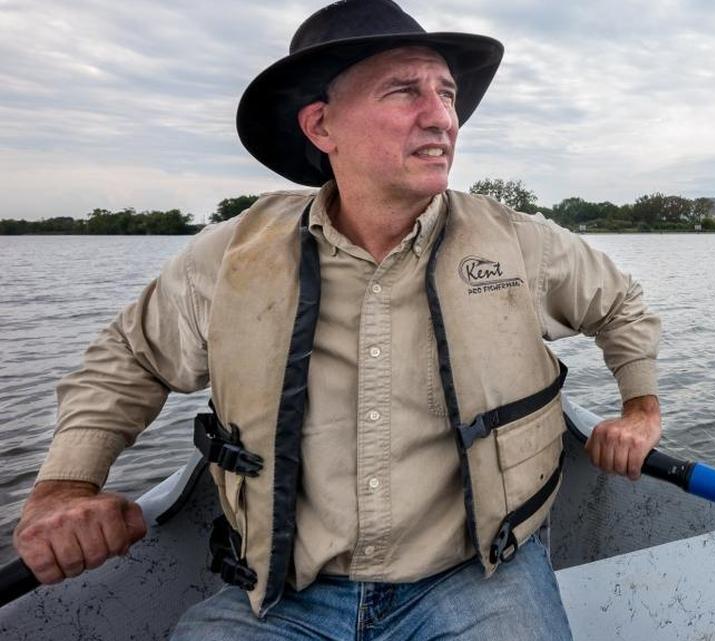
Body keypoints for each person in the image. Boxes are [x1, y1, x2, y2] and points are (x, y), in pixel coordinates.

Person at [12, 0, 662, 638]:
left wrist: (640, 409)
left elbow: (620, 303)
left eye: (447, 93)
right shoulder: (232, 253)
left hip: (476, 577)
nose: (442, 118)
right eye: (405, 91)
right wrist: (68, 484)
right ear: (323, 127)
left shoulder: (518, 243)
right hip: (278, 595)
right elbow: (129, 358)